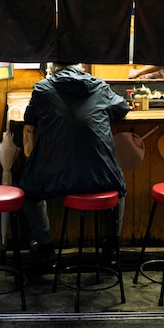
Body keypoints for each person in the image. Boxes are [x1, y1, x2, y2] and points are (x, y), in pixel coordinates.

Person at [19, 63, 130, 272]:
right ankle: (113, 247)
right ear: (81, 69)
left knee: (29, 192)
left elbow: (29, 118)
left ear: (53, 68)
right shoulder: (99, 87)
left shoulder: (42, 89)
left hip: (54, 174)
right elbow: (122, 108)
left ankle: (46, 250)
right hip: (100, 175)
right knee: (118, 189)